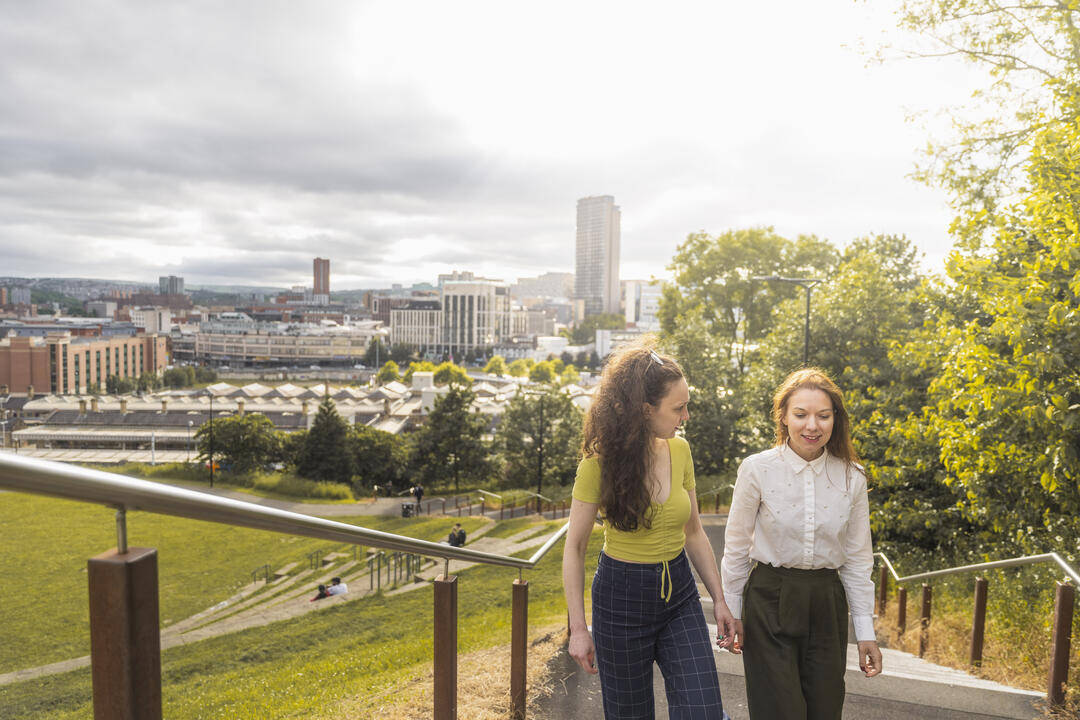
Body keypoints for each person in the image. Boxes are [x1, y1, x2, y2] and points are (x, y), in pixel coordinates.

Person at [563, 341, 735, 719]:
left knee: (704, 712)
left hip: (679, 598)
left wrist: (719, 598)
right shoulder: (597, 463)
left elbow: (694, 532)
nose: (686, 415)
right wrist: (578, 628)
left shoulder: (680, 451)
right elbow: (574, 547)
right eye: (678, 407)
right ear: (645, 410)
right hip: (619, 602)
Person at [720, 367, 883, 719]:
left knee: (825, 710)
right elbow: (735, 547)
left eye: (823, 416)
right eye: (801, 415)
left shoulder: (852, 477)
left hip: (827, 604)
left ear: (835, 420)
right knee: (780, 710)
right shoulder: (757, 469)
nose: (812, 426)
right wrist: (732, 613)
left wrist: (866, 632)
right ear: (783, 416)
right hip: (769, 600)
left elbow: (857, 560)